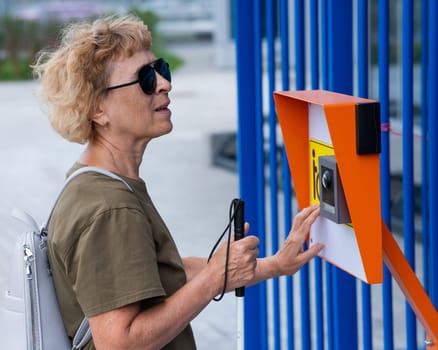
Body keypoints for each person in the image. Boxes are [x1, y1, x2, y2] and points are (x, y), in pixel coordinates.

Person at [32, 14, 324, 350]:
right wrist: (215, 278)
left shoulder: (96, 182)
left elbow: (162, 274)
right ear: (98, 109)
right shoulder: (110, 207)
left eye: (161, 69)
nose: (164, 84)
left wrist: (274, 265)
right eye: (144, 78)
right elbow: (120, 343)